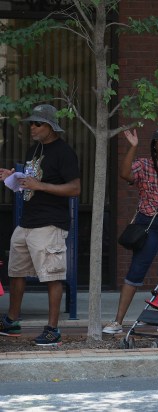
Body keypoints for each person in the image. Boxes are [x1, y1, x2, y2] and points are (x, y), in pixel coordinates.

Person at [0, 104, 80, 345]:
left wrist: (40, 186)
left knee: (51, 277)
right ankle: (12, 321)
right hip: (27, 222)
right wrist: (12, 176)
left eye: (37, 124)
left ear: (51, 127)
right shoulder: (35, 148)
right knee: (16, 272)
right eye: (31, 123)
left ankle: (52, 329)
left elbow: (75, 188)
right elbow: (32, 180)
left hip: (50, 224)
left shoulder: (64, 152)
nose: (32, 127)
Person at [103, 128, 158, 334]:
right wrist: (133, 147)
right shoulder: (143, 165)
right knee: (137, 269)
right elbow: (124, 174)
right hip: (149, 223)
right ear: (154, 144)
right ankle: (118, 321)